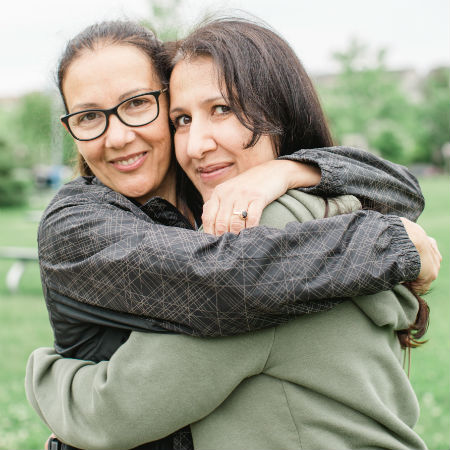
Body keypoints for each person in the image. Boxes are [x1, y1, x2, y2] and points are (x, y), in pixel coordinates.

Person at [26, 18, 440, 450]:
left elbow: (118, 411)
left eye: (136, 104)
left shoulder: (253, 216)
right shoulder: (77, 224)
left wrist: (286, 171)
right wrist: (393, 242)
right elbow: (220, 279)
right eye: (90, 116)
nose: (118, 136)